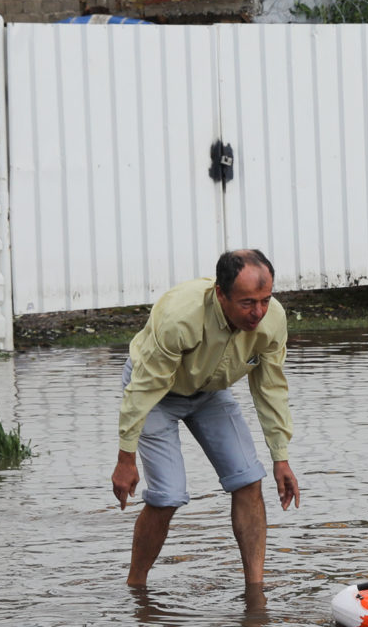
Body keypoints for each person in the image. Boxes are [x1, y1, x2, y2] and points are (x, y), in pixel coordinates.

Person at [111, 249, 302, 591]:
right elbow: (143, 389)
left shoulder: (271, 319)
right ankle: (135, 588)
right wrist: (126, 458)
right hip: (156, 394)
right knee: (168, 495)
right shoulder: (180, 317)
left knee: (249, 479)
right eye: (247, 303)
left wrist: (281, 457)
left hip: (210, 392)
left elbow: (271, 388)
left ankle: (255, 594)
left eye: (265, 299)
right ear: (220, 294)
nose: (258, 312)